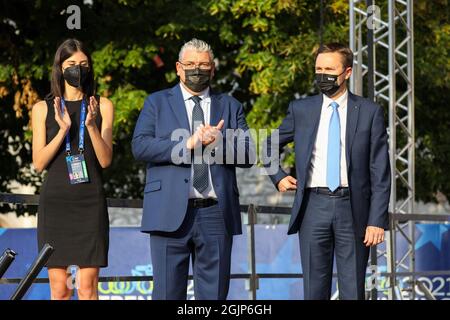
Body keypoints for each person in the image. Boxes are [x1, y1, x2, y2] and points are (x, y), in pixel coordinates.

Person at [265, 43, 391, 300]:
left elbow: (380, 171)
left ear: (346, 72)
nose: (323, 75)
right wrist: (277, 176)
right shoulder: (301, 110)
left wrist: (376, 219)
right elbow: (268, 144)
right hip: (313, 207)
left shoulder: (369, 112)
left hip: (353, 209)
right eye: (318, 69)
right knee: (314, 289)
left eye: (329, 69)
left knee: (353, 289)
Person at [132, 38, 253, 300]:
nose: (196, 70)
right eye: (190, 64)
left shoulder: (230, 106)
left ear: (213, 69)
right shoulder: (156, 103)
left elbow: (248, 154)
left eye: (203, 65)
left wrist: (220, 142)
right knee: (166, 294)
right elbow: (140, 147)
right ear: (178, 67)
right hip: (167, 213)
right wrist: (187, 144)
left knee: (214, 296)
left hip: (215, 214)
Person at [32, 38, 114, 300]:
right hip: (56, 204)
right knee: (60, 289)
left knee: (88, 288)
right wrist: (63, 129)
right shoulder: (42, 108)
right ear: (60, 67)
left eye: (83, 64)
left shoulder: (103, 106)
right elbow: (39, 163)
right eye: (71, 64)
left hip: (90, 203)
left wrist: (90, 126)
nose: (77, 69)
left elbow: (105, 160)